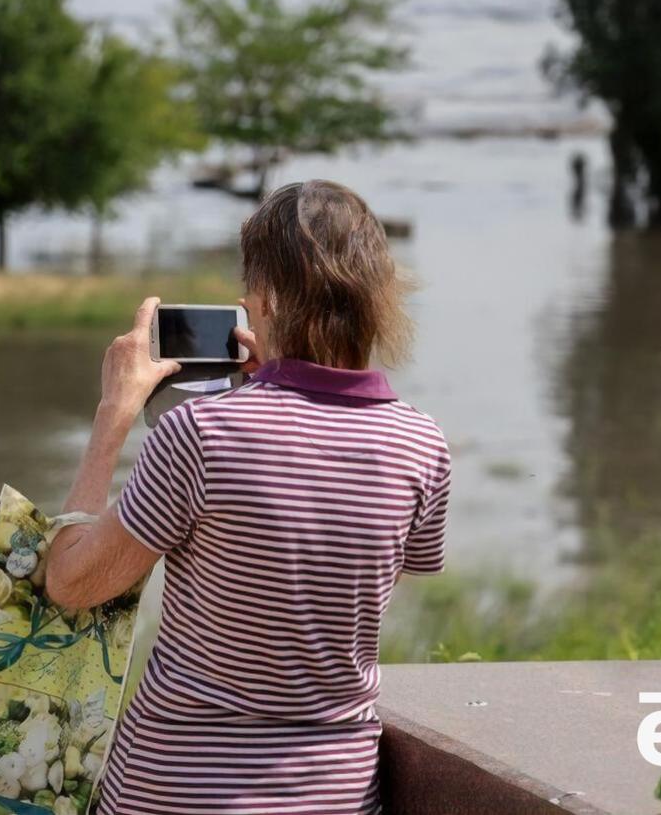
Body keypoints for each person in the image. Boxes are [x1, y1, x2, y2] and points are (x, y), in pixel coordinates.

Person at [46, 179, 453, 815]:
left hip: (176, 793)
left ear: (261, 301)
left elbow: (72, 583)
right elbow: (332, 581)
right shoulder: (421, 445)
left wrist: (112, 415)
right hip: (335, 796)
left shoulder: (199, 435)